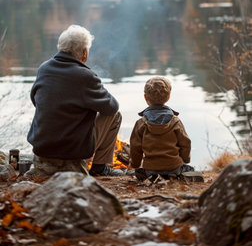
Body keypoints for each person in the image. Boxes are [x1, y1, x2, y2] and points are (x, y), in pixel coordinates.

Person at [27, 24, 124, 178]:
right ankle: (100, 167)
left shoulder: (43, 68)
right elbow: (111, 107)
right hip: (70, 152)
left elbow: (35, 100)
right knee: (115, 115)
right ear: (84, 53)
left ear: (61, 47)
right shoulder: (85, 76)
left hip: (42, 148)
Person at [130, 76, 192, 180]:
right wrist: (186, 160)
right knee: (189, 169)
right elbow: (185, 143)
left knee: (140, 172)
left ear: (145, 97)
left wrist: (135, 165)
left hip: (150, 170)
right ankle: (174, 175)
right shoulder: (176, 121)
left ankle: (151, 176)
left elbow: (135, 147)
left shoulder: (140, 123)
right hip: (174, 168)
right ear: (168, 98)